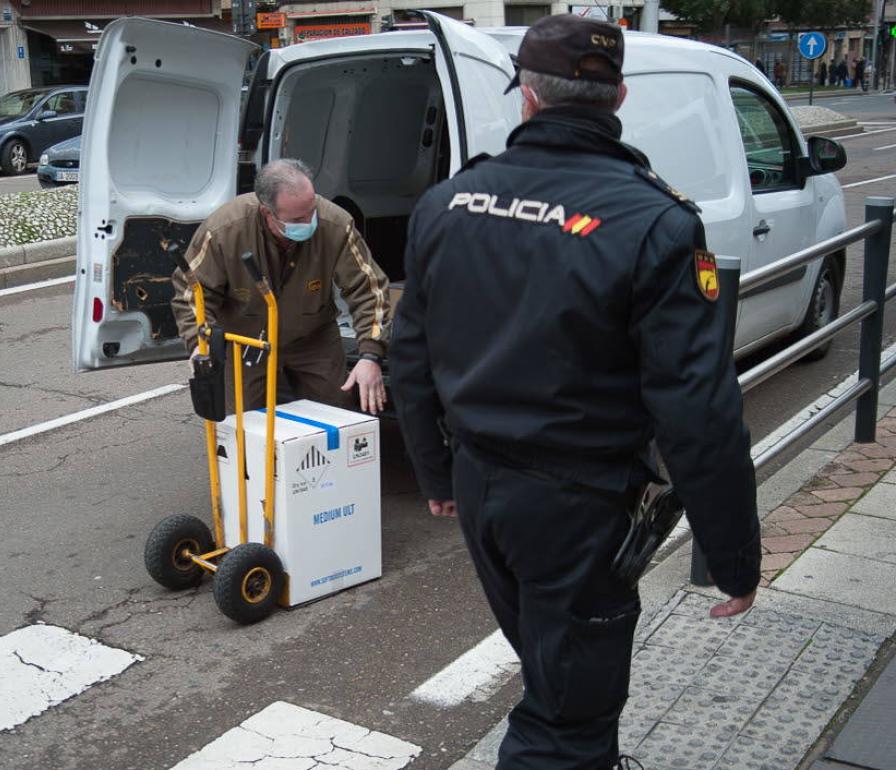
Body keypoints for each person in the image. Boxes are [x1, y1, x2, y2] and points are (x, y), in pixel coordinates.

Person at [390, 15, 760, 770]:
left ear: (526, 97)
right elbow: (697, 409)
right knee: (566, 716)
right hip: (576, 505)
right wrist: (735, 558)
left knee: (551, 666)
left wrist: (435, 473)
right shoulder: (654, 221)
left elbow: (410, 352)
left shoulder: (449, 202)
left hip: (480, 484)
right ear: (618, 96)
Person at [170, 159, 391, 416]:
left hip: (313, 338)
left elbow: (369, 288)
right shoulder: (225, 230)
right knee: (242, 424)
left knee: (336, 413)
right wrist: (201, 344)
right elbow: (191, 290)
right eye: (298, 218)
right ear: (267, 213)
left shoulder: (335, 224)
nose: (309, 222)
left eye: (312, 211)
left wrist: (370, 355)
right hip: (246, 340)